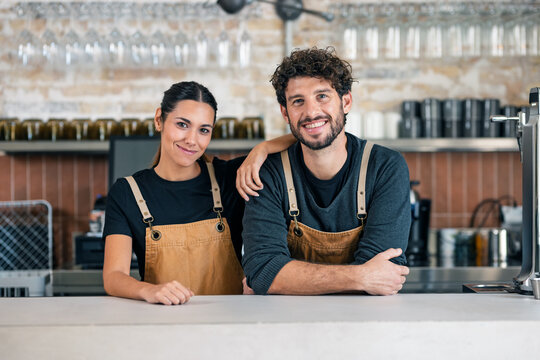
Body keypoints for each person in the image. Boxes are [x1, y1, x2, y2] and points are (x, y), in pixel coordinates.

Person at [103, 81, 295, 305]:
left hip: (229, 323)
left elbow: (303, 137)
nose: (192, 140)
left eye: (203, 130)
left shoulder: (230, 178)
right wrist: (149, 291)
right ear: (159, 120)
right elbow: (113, 277)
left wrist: (262, 149)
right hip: (165, 323)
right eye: (183, 124)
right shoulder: (127, 192)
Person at [242, 47, 411, 296]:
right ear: (285, 112)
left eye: (322, 96)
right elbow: (263, 271)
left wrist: (288, 279)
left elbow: (384, 271)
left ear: (346, 101)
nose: (311, 112)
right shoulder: (268, 173)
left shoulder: (385, 167)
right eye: (298, 101)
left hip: (366, 323)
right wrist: (362, 276)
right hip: (286, 325)